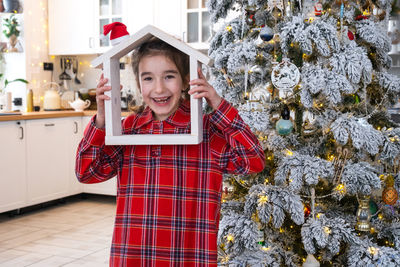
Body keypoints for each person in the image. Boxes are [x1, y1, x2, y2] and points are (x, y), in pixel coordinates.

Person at [75, 38, 265, 266]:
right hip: (134, 256)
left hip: (188, 257)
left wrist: (217, 103)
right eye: (148, 78)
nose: (159, 89)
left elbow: (253, 160)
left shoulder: (208, 132)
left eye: (169, 76)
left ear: (186, 79)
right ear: (138, 83)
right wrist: (101, 121)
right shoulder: (128, 130)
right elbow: (87, 172)